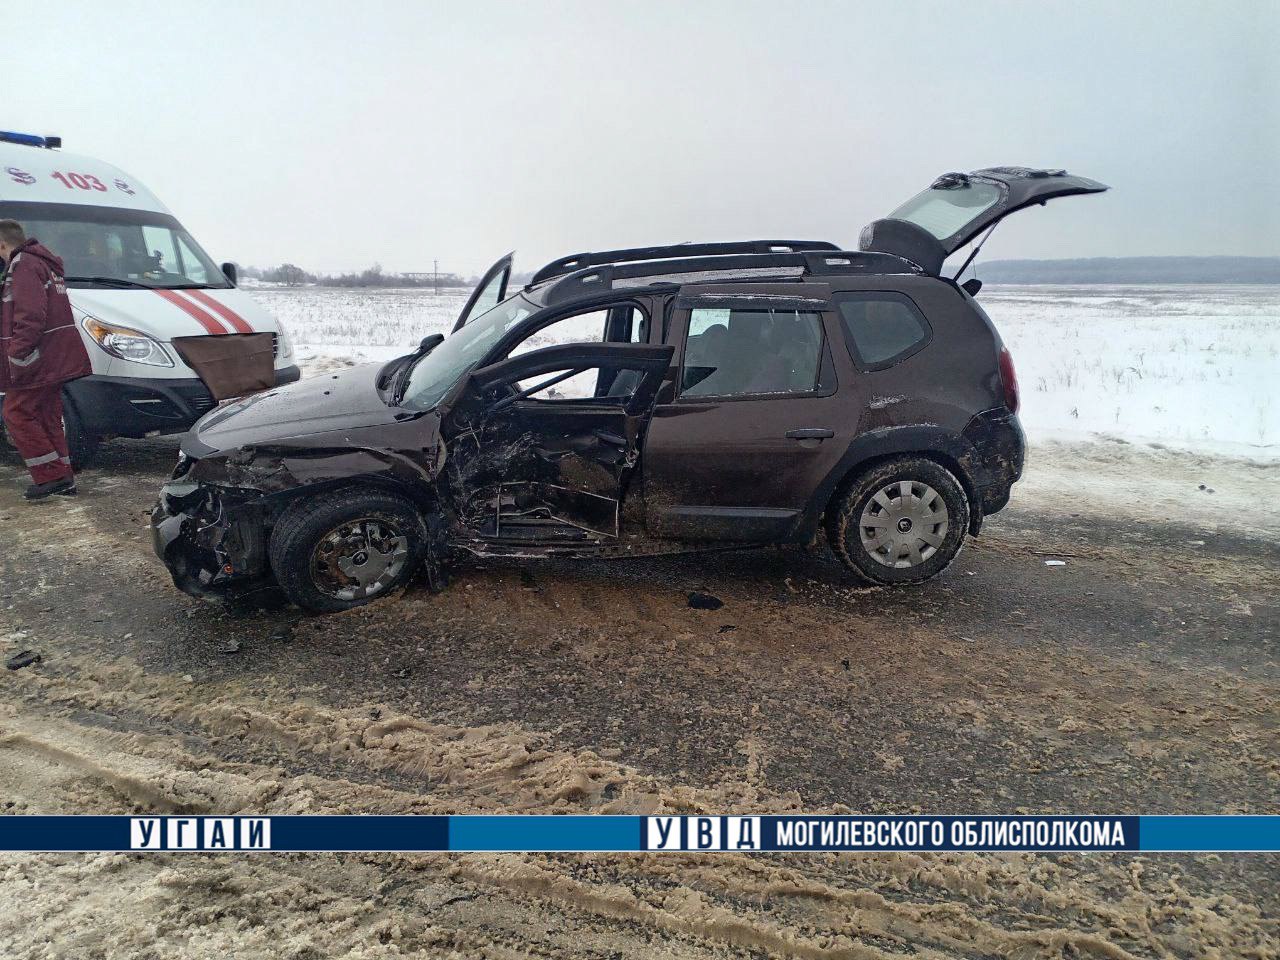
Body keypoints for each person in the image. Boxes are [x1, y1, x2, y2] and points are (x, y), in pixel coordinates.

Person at [0, 219, 91, 500]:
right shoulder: (45, 263)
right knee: (47, 414)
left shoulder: (23, 264)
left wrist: (16, 354)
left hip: (35, 358)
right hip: (54, 356)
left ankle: (50, 477)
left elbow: (30, 316)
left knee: (16, 414)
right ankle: (63, 476)